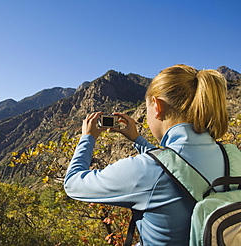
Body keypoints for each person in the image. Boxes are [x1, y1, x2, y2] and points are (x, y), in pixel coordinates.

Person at [64, 64, 231, 245]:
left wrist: (87, 138)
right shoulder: (234, 159)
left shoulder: (145, 171)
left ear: (157, 106)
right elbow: (174, 166)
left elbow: (73, 183)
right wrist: (137, 139)